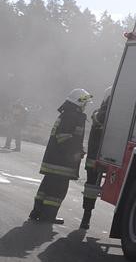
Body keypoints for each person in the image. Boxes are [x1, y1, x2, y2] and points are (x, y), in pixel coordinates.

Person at [29, 89, 92, 224]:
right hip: (62, 163)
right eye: (85, 103)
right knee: (57, 191)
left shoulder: (67, 114)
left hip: (55, 161)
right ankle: (48, 216)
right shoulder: (72, 116)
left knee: (46, 188)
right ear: (79, 102)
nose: (86, 105)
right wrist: (76, 152)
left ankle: (37, 212)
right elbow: (63, 137)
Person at [79, 88, 111, 230]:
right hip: (96, 159)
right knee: (91, 187)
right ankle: (86, 217)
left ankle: (86, 217)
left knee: (91, 186)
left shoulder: (99, 112)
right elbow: (100, 119)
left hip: (101, 158)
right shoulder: (99, 113)